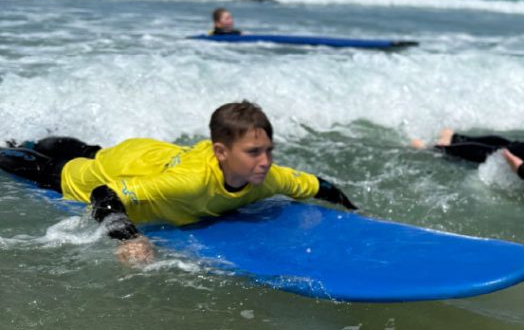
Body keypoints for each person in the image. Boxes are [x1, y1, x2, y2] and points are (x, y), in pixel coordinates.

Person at [0, 101, 357, 265]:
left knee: (87, 148)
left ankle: (34, 141)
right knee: (45, 165)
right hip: (105, 171)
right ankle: (22, 148)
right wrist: (130, 238)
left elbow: (320, 186)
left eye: (268, 150)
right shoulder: (189, 183)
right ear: (220, 150)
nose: (264, 161)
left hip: (144, 153)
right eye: (252, 152)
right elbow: (102, 195)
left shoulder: (268, 177)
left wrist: (353, 210)